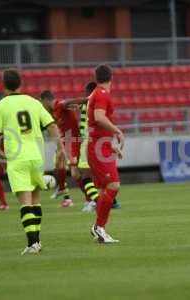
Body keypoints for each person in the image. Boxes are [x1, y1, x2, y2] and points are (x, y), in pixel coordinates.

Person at [0, 69, 63, 255]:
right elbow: (52, 125)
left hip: (17, 158)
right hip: (36, 156)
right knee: (36, 200)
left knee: (25, 203)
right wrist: (61, 148)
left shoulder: (0, 105)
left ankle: (32, 244)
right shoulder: (34, 102)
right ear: (21, 83)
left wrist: (0, 159)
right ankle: (36, 241)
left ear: (3, 85)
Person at [39, 89, 99, 209]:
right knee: (67, 169)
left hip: (73, 141)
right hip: (67, 143)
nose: (42, 106)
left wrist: (88, 100)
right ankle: (65, 191)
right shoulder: (52, 112)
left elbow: (70, 102)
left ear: (45, 100)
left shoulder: (59, 105)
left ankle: (92, 201)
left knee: (77, 173)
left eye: (42, 103)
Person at [87, 64, 124, 243]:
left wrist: (110, 145)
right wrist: (117, 130)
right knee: (113, 185)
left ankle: (99, 228)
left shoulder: (96, 93)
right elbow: (99, 118)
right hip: (98, 147)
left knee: (107, 188)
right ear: (111, 77)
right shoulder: (101, 93)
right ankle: (99, 227)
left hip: (101, 145)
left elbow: (97, 124)